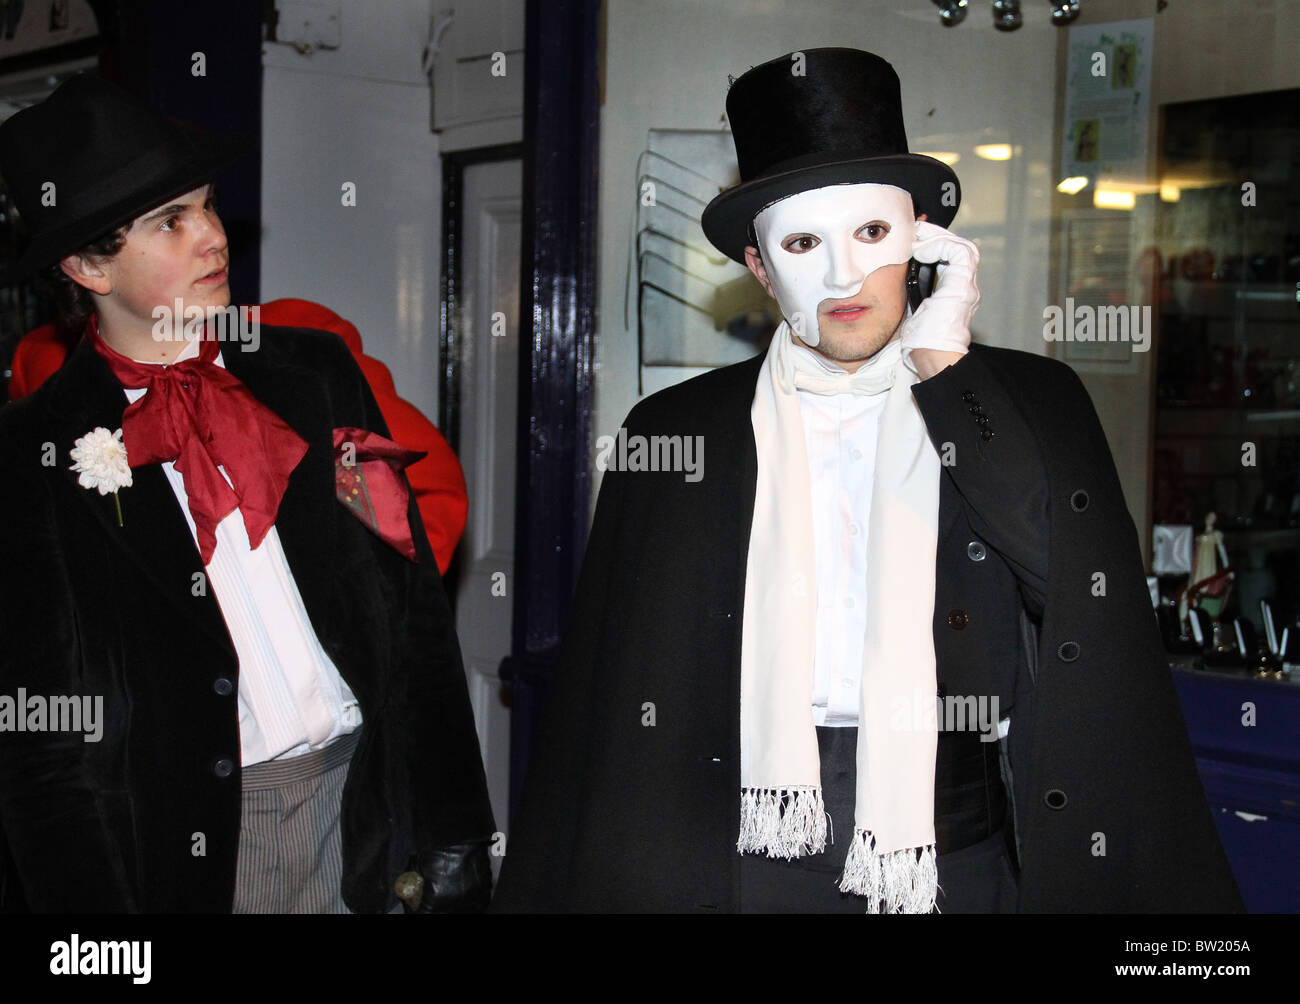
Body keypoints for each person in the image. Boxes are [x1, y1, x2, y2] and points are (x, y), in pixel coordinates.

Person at [491, 47, 1243, 913]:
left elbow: (1071, 587)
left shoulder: (1029, 402)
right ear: (760, 270)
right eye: (804, 243)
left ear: (923, 239)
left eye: (872, 234)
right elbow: (612, 693)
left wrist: (949, 376)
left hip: (959, 844)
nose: (845, 276)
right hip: (744, 854)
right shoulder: (675, 431)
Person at [0, 73, 494, 913]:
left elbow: (407, 607)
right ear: (87, 265)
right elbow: (44, 747)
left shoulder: (316, 374)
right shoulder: (32, 453)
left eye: (207, 205)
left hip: (362, 810)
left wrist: (455, 827)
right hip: (190, 846)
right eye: (171, 221)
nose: (213, 238)